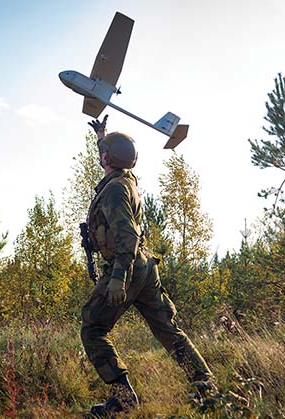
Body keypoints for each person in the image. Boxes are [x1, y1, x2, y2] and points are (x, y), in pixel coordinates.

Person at [81, 115, 216, 417]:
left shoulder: (115, 189)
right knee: (168, 330)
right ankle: (207, 389)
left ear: (107, 159)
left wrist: (117, 279)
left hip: (126, 266)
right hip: (145, 267)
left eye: (104, 153)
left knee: (92, 327)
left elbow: (127, 237)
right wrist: (102, 136)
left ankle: (123, 399)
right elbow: (114, 157)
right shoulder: (126, 177)